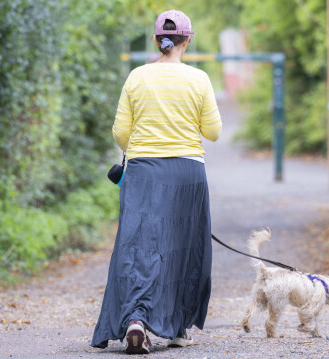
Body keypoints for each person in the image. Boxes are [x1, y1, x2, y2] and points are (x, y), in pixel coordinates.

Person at [90, 9, 222, 355]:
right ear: (187, 40)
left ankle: (136, 319)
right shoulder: (199, 80)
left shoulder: (137, 77)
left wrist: (140, 150)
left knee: (139, 247)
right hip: (187, 172)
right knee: (183, 246)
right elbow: (213, 132)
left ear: (156, 40)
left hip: (144, 172)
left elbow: (120, 132)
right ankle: (177, 327)